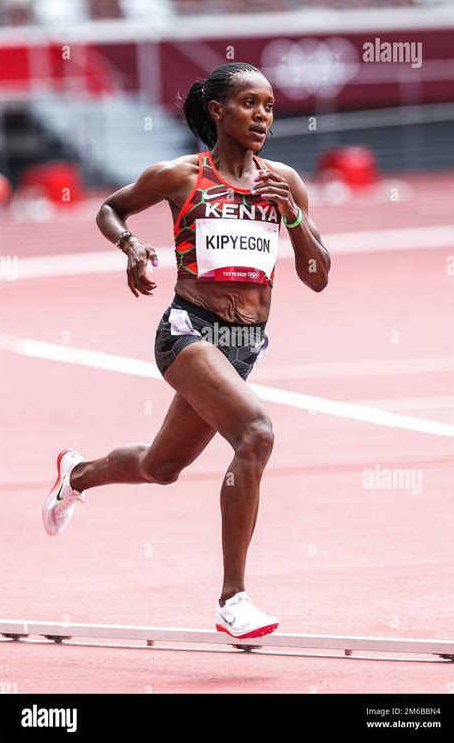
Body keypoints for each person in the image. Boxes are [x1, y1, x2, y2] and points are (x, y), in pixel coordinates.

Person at [43, 62, 330, 640]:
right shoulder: (178, 176)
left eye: (270, 107)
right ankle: (234, 598)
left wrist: (294, 216)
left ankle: (75, 475)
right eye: (250, 104)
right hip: (188, 332)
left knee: (161, 467)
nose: (263, 117)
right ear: (218, 112)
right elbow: (110, 208)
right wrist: (130, 246)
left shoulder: (283, 181)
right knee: (257, 431)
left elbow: (318, 275)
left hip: (244, 346)